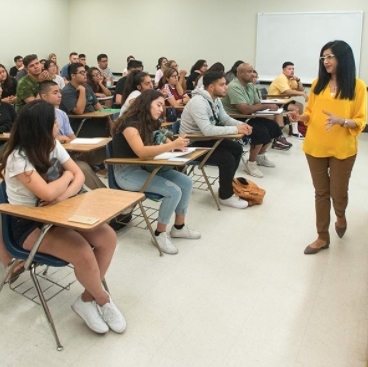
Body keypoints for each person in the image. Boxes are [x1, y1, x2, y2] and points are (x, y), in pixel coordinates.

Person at [0, 99, 126, 334]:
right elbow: (46, 192)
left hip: (60, 211)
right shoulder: (18, 157)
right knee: (81, 251)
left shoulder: (51, 144)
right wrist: (66, 180)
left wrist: (63, 191)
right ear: (42, 126)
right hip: (28, 222)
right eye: (54, 121)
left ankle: (86, 300)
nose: (58, 124)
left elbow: (77, 173)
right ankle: (103, 300)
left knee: (107, 237)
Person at [288, 40, 366, 254]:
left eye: (330, 56)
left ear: (343, 58)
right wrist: (300, 116)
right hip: (315, 146)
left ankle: (340, 215)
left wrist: (342, 120)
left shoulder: (357, 86)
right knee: (321, 193)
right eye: (323, 57)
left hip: (343, 149)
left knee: (338, 194)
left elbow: (361, 120)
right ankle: (323, 236)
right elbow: (311, 114)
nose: (326, 61)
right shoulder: (317, 84)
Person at [111, 89, 201, 255]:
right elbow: (142, 152)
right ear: (146, 104)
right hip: (127, 172)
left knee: (186, 183)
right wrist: (171, 146)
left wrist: (178, 147)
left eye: (163, 105)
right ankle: (159, 234)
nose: (162, 109)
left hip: (146, 166)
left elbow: (160, 138)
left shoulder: (149, 122)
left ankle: (179, 227)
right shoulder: (129, 125)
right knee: (173, 191)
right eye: (159, 105)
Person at [180, 71, 252, 209]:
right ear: (211, 87)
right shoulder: (198, 102)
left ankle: (226, 187)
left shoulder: (215, 99)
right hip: (192, 143)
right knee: (226, 159)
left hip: (205, 139)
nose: (226, 87)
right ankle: (226, 197)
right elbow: (207, 130)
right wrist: (236, 130)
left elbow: (224, 119)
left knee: (236, 149)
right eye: (222, 85)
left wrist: (240, 125)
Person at [222, 63, 286, 178]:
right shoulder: (234, 87)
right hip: (235, 118)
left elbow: (257, 103)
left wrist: (267, 108)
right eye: (249, 72)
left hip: (250, 116)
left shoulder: (250, 85)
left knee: (274, 126)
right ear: (240, 73)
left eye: (252, 71)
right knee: (260, 131)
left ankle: (260, 156)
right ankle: (251, 163)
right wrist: (265, 107)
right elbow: (244, 109)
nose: (252, 74)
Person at [268, 62, 309, 138]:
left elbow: (301, 89)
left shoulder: (290, 78)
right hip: (275, 101)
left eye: (293, 69)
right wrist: (302, 94)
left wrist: (298, 80)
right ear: (284, 70)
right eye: (289, 69)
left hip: (284, 100)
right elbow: (287, 91)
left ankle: (298, 127)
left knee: (300, 105)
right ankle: (294, 131)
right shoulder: (281, 78)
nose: (292, 71)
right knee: (295, 108)